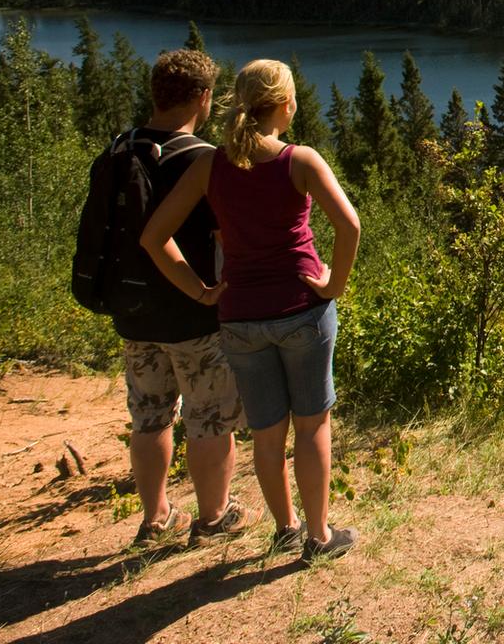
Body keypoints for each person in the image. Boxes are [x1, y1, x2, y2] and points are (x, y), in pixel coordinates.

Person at [142, 58, 361, 559]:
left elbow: (154, 237)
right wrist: (334, 285)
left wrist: (200, 291)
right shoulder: (299, 160)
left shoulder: (210, 164)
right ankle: (317, 536)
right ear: (286, 105)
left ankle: (284, 529)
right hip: (302, 309)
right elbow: (349, 228)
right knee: (311, 426)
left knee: (267, 434)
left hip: (239, 317)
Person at [116, 49, 246, 546]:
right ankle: (213, 518)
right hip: (193, 315)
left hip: (135, 314)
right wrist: (207, 291)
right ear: (204, 97)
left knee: (149, 416)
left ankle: (154, 519)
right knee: (209, 418)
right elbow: (224, 236)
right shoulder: (203, 160)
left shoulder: (120, 150)